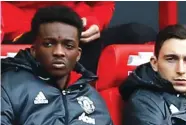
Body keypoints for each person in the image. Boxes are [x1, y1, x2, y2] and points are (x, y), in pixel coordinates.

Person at [1, 5, 134, 125]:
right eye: (49, 44)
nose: (58, 52)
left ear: (78, 54)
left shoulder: (91, 96)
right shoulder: (9, 87)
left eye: (68, 45)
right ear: (34, 50)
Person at [1, 1, 156, 73]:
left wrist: (95, 22)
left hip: (78, 29)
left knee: (138, 34)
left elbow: (102, 4)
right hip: (25, 33)